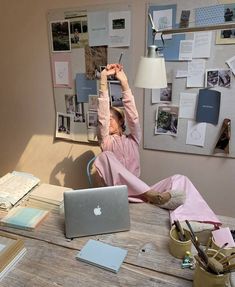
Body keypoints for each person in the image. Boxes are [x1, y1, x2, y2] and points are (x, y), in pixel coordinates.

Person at [93, 63, 221, 226]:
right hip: (119, 194)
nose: (108, 120)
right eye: (107, 117)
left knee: (180, 179)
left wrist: (124, 83)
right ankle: (153, 195)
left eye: (112, 117)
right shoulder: (106, 141)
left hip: (141, 194)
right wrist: (103, 79)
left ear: (120, 121)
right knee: (105, 156)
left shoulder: (133, 139)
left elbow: (133, 117)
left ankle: (202, 221)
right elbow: (102, 117)